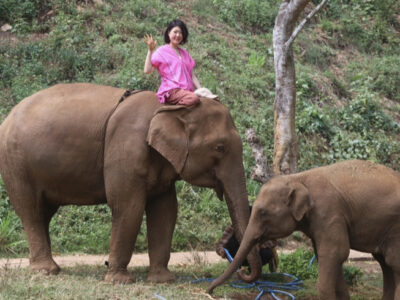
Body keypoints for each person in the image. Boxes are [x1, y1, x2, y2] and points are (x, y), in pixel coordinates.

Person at [144, 19, 202, 107]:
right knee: (194, 99)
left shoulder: (185, 54)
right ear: (168, 33)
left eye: (181, 33)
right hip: (172, 90)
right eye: (175, 32)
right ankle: (171, 114)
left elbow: (192, 75)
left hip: (187, 93)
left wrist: (201, 89)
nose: (178, 35)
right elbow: (147, 70)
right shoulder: (162, 51)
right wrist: (150, 51)